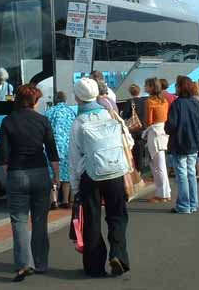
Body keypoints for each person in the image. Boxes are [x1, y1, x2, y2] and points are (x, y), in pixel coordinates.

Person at [69, 78, 130, 277]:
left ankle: (94, 266)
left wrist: (75, 187)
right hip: (115, 173)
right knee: (117, 215)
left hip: (90, 175)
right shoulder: (110, 113)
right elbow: (128, 142)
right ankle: (118, 254)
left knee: (92, 220)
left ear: (78, 96)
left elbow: (73, 157)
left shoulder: (78, 122)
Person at [0, 84, 60, 282]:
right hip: (41, 173)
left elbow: (4, 158)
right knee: (40, 220)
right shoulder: (42, 120)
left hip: (17, 173)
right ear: (34, 101)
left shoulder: (7, 121)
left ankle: (24, 264)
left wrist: (10, 177)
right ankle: (41, 263)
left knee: (19, 221)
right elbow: (52, 150)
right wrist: (56, 176)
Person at [165, 76, 199, 214]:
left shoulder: (177, 104)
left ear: (180, 87)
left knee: (181, 174)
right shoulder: (196, 103)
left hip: (180, 142)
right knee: (191, 173)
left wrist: (166, 128)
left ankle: (183, 204)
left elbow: (171, 125)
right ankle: (193, 203)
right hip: (193, 141)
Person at [45, 92, 76, 209]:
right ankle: (65, 200)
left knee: (53, 173)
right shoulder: (71, 112)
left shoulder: (49, 112)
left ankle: (54, 200)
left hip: (52, 146)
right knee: (66, 174)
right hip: (67, 147)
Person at [143, 77, 171, 203]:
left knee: (156, 166)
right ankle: (165, 192)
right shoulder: (164, 100)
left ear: (151, 87)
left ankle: (162, 193)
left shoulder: (150, 101)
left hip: (153, 133)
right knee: (161, 164)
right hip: (162, 131)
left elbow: (148, 120)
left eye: (147, 85)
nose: (145, 87)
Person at [121, 84, 147, 173]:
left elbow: (125, 115)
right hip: (143, 127)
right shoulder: (144, 101)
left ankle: (137, 169)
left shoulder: (129, 102)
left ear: (130, 92)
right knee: (141, 148)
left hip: (133, 128)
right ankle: (141, 167)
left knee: (135, 149)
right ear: (139, 91)